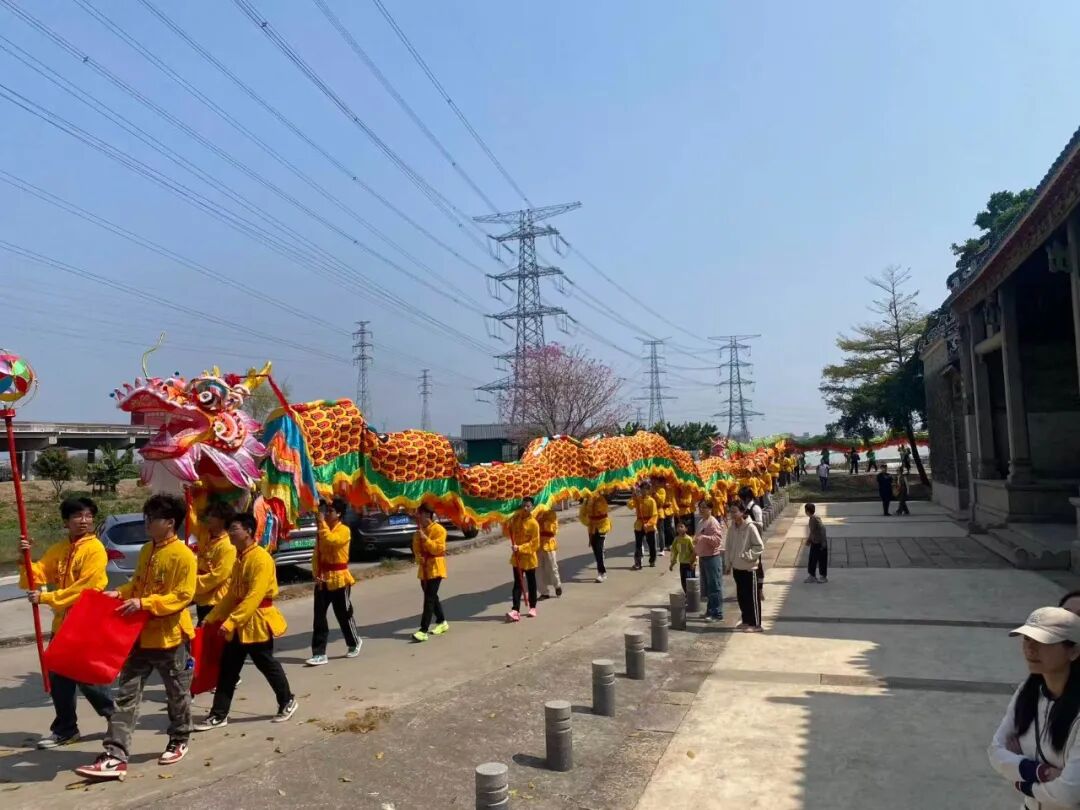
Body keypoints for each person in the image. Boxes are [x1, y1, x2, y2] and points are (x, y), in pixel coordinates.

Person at [76, 494, 196, 780]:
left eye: (152, 519)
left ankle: (179, 738)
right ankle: (115, 754)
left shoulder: (183, 556)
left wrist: (145, 604)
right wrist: (120, 593)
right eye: (146, 517)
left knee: (177, 694)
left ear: (170, 522)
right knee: (126, 695)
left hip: (170, 638)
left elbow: (183, 596)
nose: (147, 523)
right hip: (139, 637)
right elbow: (137, 584)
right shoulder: (147, 550)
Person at [20, 496, 115, 749]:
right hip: (62, 624)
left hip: (86, 622)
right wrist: (24, 557)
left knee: (88, 677)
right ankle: (66, 728)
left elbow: (86, 588)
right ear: (66, 521)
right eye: (77, 516)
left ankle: (116, 717)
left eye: (88, 516)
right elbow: (39, 573)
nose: (84, 521)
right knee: (59, 677)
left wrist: (46, 597)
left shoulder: (95, 549)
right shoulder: (60, 549)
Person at [194, 513, 297, 731]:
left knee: (266, 664)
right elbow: (232, 595)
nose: (230, 533)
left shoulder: (261, 559)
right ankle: (219, 714)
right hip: (240, 623)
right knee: (228, 668)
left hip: (257, 621)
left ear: (248, 531)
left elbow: (254, 596)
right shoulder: (240, 559)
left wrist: (230, 621)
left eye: (234, 529)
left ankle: (287, 700)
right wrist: (212, 617)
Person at [989, 606, 1080, 807]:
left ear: (1074, 651)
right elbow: (996, 752)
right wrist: (1040, 771)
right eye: (1027, 639)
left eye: (1043, 641)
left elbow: (1070, 792)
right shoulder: (1027, 692)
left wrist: (1022, 783)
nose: (1030, 648)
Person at [306, 497, 360, 666]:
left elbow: (332, 541)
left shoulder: (344, 530)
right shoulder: (322, 530)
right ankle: (319, 653)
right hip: (323, 578)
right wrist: (315, 573)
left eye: (330, 511)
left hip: (340, 578)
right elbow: (317, 554)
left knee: (343, 613)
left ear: (339, 514)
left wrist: (321, 524)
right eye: (326, 511)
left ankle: (354, 642)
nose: (327, 514)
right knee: (319, 616)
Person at [193, 502, 237, 626]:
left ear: (222, 520)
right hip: (202, 599)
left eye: (212, 516)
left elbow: (220, 575)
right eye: (208, 515)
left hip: (217, 600)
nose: (208, 518)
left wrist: (195, 583)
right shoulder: (206, 537)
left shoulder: (228, 545)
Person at [411, 505, 448, 642]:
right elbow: (416, 550)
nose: (418, 517)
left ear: (427, 515)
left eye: (419, 514)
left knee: (429, 598)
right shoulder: (418, 533)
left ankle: (423, 630)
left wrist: (425, 539)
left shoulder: (439, 530)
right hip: (424, 569)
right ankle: (442, 621)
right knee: (432, 597)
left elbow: (438, 549)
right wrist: (418, 557)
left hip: (436, 568)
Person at [725, 502, 764, 633]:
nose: (732, 514)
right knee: (742, 596)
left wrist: (748, 556)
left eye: (735, 511)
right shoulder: (732, 528)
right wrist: (728, 564)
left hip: (749, 568)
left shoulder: (750, 527)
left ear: (742, 512)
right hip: (737, 568)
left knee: (752, 597)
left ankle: (756, 624)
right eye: (731, 511)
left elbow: (759, 546)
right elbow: (728, 547)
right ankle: (746, 620)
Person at [505, 496, 540, 621]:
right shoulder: (516, 519)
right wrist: (507, 522)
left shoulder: (534, 524)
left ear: (532, 507)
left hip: (529, 558)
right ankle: (515, 610)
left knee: (531, 583)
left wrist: (520, 548)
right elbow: (509, 531)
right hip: (517, 558)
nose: (525, 508)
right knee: (518, 584)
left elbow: (535, 544)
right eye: (523, 505)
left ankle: (533, 607)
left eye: (528, 506)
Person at [694, 502, 725, 622]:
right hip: (703, 556)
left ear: (710, 509)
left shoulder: (713, 522)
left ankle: (717, 613)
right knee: (707, 586)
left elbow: (717, 540)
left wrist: (704, 538)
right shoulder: (701, 521)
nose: (701, 510)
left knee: (714, 586)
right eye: (700, 507)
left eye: (704, 508)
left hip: (712, 557)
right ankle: (710, 610)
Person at [740, 486, 767, 603]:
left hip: (754, 542)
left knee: (757, 566)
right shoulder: (744, 508)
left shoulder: (755, 508)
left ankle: (759, 589)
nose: (741, 500)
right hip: (745, 541)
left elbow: (760, 526)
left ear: (747, 498)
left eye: (742, 498)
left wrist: (748, 522)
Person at [581, 491, 611, 583]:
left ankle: (602, 572)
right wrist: (588, 521)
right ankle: (601, 568)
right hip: (592, 528)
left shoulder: (601, 499)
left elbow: (604, 510)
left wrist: (597, 501)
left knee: (599, 549)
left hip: (602, 526)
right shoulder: (587, 500)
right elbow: (582, 515)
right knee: (596, 550)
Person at [629, 482, 658, 570]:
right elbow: (630, 506)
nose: (643, 491)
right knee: (638, 544)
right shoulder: (638, 499)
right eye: (642, 489)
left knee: (651, 544)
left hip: (649, 526)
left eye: (645, 489)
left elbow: (654, 515)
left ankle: (652, 560)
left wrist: (648, 524)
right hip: (639, 524)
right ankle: (638, 562)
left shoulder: (651, 501)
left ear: (648, 490)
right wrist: (633, 496)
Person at [536, 505, 563, 599]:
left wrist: (544, 521)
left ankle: (557, 585)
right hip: (537, 545)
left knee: (552, 567)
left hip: (549, 544)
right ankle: (544, 592)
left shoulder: (551, 514)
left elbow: (554, 530)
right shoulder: (534, 514)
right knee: (538, 570)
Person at [668, 521, 697, 594]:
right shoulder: (676, 540)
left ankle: (692, 597)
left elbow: (694, 551)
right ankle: (687, 596)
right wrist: (672, 563)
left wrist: (693, 563)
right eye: (678, 527)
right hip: (682, 564)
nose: (679, 528)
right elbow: (674, 552)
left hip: (689, 564)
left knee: (690, 581)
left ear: (686, 529)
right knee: (683, 582)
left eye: (681, 526)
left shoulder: (689, 539)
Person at [804, 503, 828, 584]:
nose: (805, 512)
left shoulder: (815, 518)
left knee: (822, 560)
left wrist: (823, 542)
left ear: (807, 511)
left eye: (805, 510)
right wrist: (809, 540)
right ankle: (812, 576)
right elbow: (812, 531)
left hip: (820, 543)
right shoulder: (812, 518)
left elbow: (823, 529)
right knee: (812, 559)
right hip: (814, 542)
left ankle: (823, 577)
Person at [652, 478, 674, 556]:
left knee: (665, 529)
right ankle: (653, 548)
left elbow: (661, 501)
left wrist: (656, 494)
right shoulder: (650, 489)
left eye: (655, 481)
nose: (654, 482)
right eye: (652, 480)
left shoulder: (662, 490)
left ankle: (663, 548)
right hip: (652, 513)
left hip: (663, 512)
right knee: (652, 531)